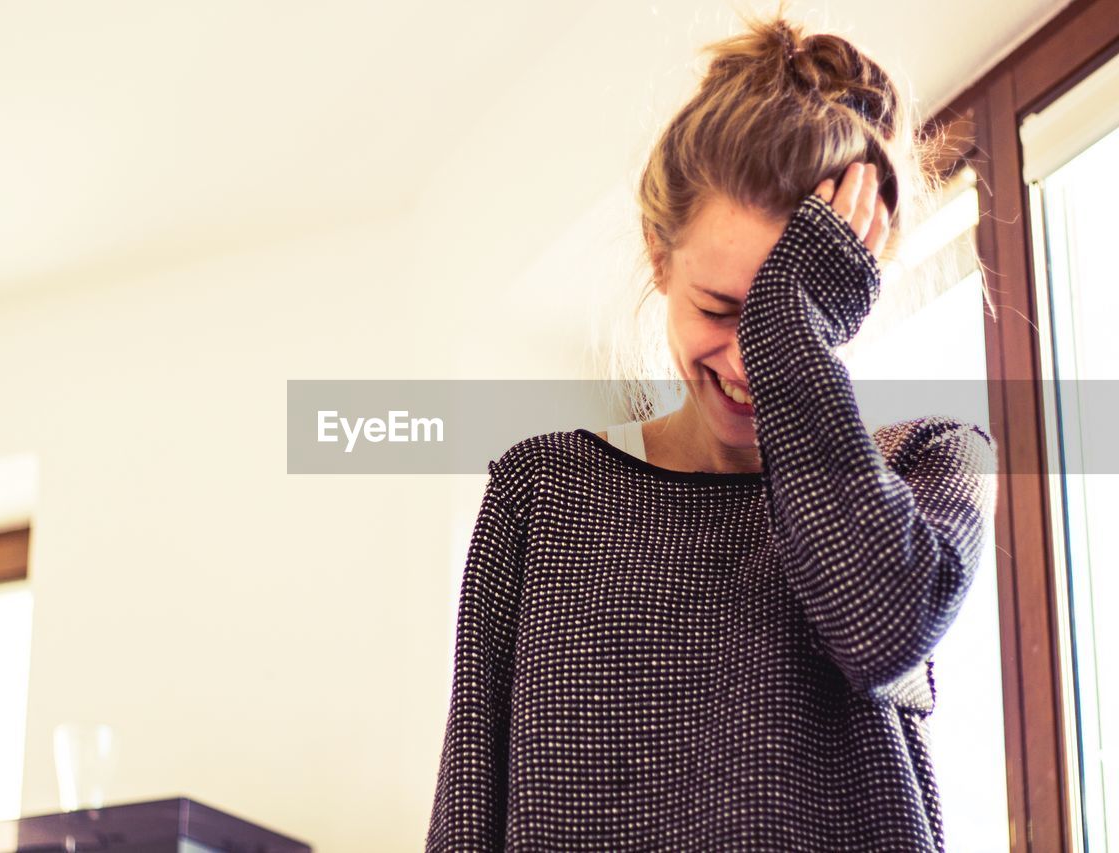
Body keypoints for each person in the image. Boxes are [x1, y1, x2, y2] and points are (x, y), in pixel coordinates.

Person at [425, 9, 998, 852]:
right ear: (661, 259)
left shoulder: (930, 461)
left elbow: (882, 627)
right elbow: (467, 805)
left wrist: (788, 331)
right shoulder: (540, 491)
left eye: (792, 312)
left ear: (851, 291)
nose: (748, 359)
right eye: (722, 308)